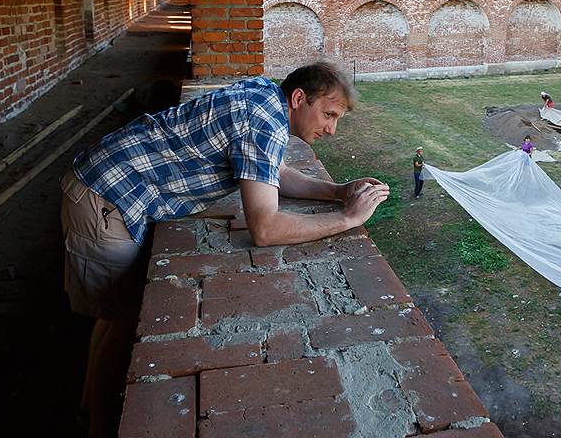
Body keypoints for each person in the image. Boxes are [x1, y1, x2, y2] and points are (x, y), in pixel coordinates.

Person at [60, 60, 389, 437]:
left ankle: (87, 410)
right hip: (106, 197)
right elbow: (264, 228)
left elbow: (272, 172)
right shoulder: (263, 118)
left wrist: (336, 191)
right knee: (122, 324)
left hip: (105, 187)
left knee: (113, 314)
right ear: (299, 98)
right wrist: (348, 219)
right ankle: (96, 426)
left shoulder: (265, 98)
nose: (331, 129)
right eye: (329, 114)